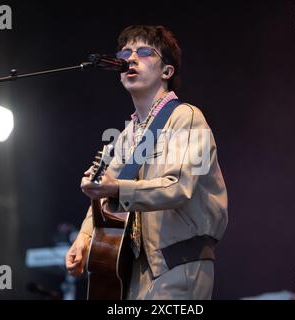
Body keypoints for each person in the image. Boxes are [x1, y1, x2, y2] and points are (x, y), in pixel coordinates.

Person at [65, 25, 228, 300]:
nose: (131, 58)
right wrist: (83, 238)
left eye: (144, 52)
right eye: (125, 53)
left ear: (167, 71)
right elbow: (105, 194)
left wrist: (115, 188)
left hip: (179, 262)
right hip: (134, 268)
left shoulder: (187, 118)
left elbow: (178, 187)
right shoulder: (127, 134)